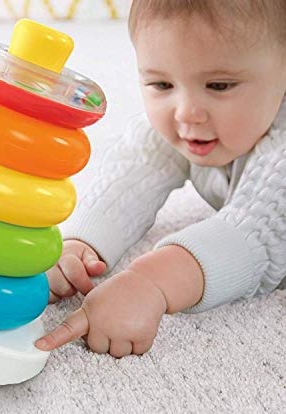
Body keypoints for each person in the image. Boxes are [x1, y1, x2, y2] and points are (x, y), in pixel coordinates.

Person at [35, 0, 286, 358]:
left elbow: (252, 236)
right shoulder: (188, 125)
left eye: (218, 85)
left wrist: (151, 281)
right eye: (162, 84)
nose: (186, 112)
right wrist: (81, 243)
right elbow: (136, 170)